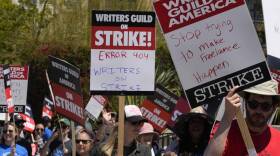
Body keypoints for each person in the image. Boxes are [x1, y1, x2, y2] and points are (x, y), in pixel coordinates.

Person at [204, 80, 280, 155]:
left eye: (265, 106)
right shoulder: (224, 129)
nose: (258, 111)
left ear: (274, 108)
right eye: (253, 104)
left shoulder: (278, 140)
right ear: (245, 103)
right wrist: (227, 116)